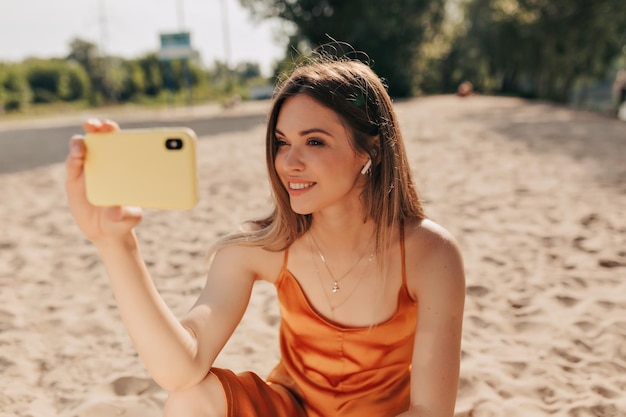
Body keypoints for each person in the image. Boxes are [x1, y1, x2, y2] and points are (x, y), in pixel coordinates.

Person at [65, 54, 466, 417]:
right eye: (281, 142)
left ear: (372, 150)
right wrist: (114, 243)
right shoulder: (263, 247)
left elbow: (430, 410)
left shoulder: (430, 253)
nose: (289, 163)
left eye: (314, 141)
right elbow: (180, 371)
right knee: (191, 398)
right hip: (289, 409)